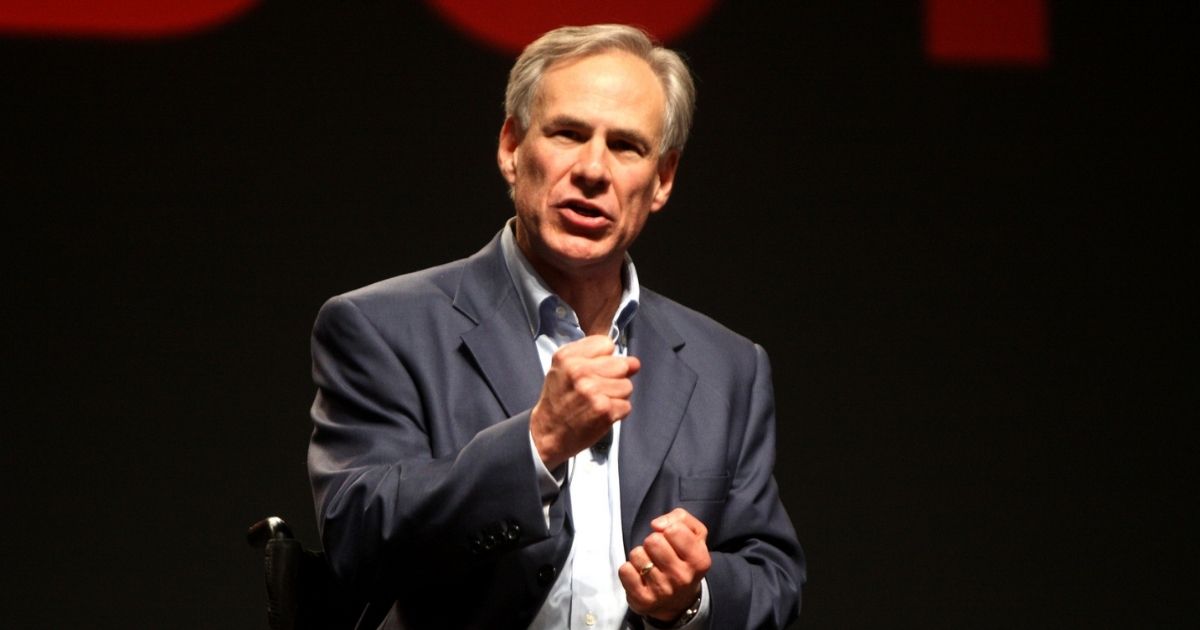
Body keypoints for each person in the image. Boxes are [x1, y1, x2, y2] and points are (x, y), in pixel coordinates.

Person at [307, 24, 804, 630]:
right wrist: (537, 444)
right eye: (568, 134)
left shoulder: (728, 366)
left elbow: (772, 577)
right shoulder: (382, 327)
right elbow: (358, 539)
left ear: (663, 180)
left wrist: (691, 599)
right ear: (512, 146)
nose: (593, 169)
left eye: (626, 146)